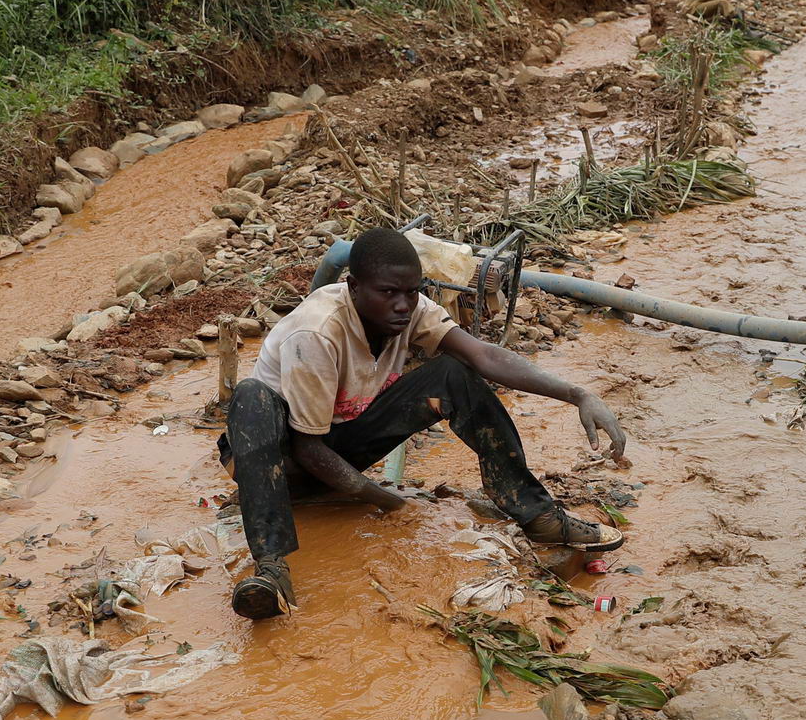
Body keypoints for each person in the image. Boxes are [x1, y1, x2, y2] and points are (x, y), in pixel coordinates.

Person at [220, 227, 628, 620]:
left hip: (336, 444)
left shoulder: (411, 312)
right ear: (354, 287)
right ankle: (271, 568)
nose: (402, 304)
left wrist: (578, 394)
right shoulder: (317, 331)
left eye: (411, 291)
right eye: (387, 293)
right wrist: (389, 502)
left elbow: (482, 355)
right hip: (281, 463)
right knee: (252, 396)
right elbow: (308, 447)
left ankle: (536, 515)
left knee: (453, 373)